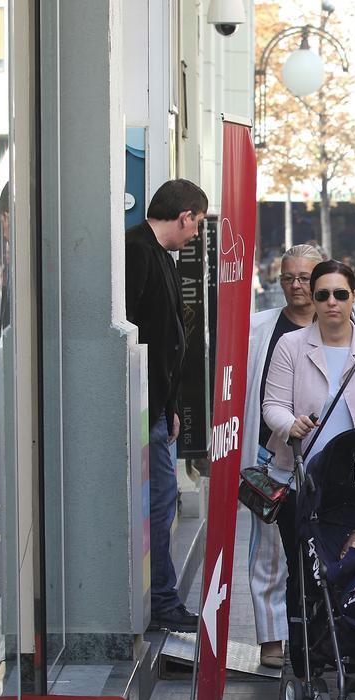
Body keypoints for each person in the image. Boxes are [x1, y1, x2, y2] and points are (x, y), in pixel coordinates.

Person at [261, 259, 355, 616]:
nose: (331, 302)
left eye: (340, 294)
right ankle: (305, 652)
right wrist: (289, 424)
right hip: (300, 479)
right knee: (303, 574)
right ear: (312, 298)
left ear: (354, 297)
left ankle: (353, 644)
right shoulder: (290, 346)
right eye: (323, 294)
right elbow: (272, 405)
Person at [125, 178, 208, 633]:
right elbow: (133, 336)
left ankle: (161, 595)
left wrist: (172, 404)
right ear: (184, 216)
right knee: (158, 504)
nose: (196, 234)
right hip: (143, 406)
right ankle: (161, 599)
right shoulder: (137, 251)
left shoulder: (160, 255)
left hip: (157, 407)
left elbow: (168, 337)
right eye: (196, 223)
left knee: (161, 503)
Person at [241, 242, 325, 668]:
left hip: (327, 455)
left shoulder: (350, 325)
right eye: (288, 278)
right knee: (271, 550)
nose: (296, 286)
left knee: (326, 544)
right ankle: (272, 638)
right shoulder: (259, 328)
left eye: (305, 278)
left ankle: (324, 632)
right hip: (268, 453)